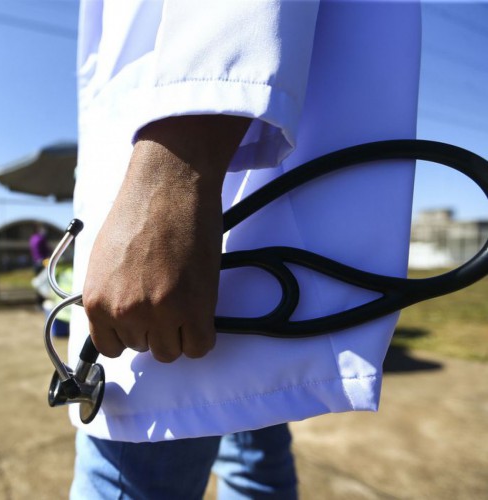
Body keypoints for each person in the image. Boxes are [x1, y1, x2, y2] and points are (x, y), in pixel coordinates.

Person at [68, 1, 421, 499]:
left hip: (191, 155)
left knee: (135, 462)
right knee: (251, 427)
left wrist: (172, 173)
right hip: (221, 172)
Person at [29, 224, 51, 308]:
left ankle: (38, 303)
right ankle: (42, 301)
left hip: (35, 262)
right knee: (44, 282)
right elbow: (47, 249)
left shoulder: (32, 238)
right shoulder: (42, 238)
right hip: (43, 262)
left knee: (38, 282)